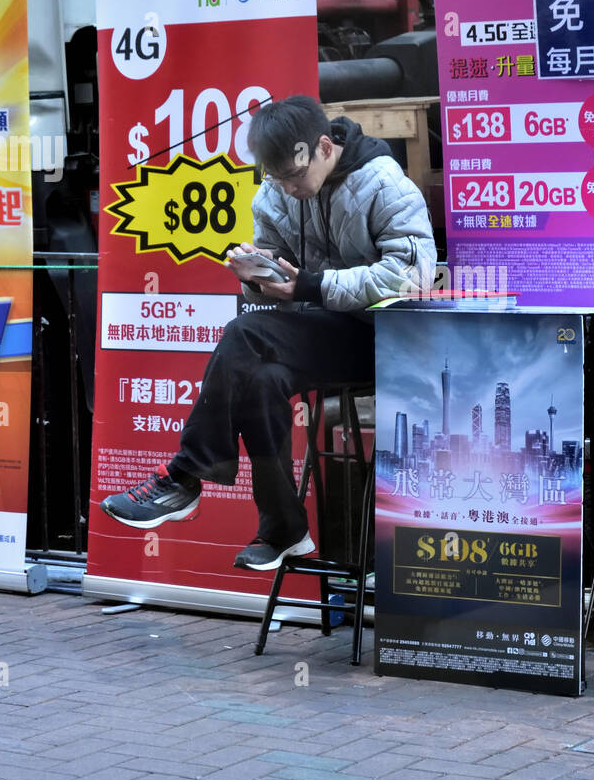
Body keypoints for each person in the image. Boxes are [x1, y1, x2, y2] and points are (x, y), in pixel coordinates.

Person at [101, 95, 436, 570]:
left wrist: (310, 285)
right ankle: (283, 529)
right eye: (276, 177)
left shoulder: (384, 183)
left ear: (323, 148)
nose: (286, 187)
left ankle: (184, 475)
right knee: (259, 376)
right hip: (324, 330)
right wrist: (254, 276)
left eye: (294, 176)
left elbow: (411, 278)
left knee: (244, 335)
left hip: (389, 337)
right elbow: (273, 294)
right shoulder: (275, 192)